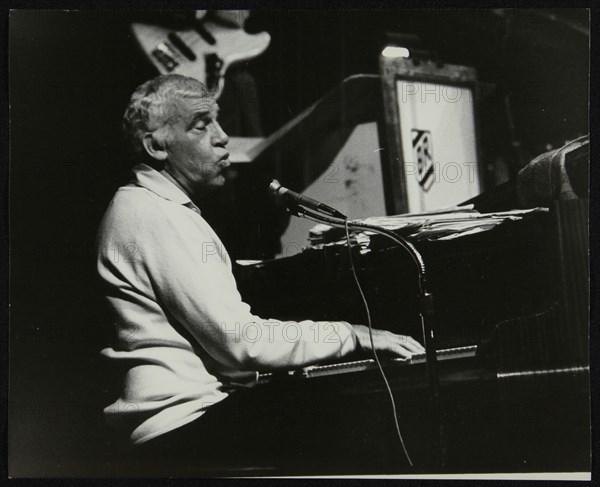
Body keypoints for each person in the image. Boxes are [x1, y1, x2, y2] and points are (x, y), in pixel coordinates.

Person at [96, 74, 425, 474]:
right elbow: (243, 344)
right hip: (180, 430)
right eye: (202, 125)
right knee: (356, 421)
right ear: (155, 145)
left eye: (218, 122)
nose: (222, 138)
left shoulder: (153, 207)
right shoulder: (154, 214)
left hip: (187, 422)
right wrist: (352, 334)